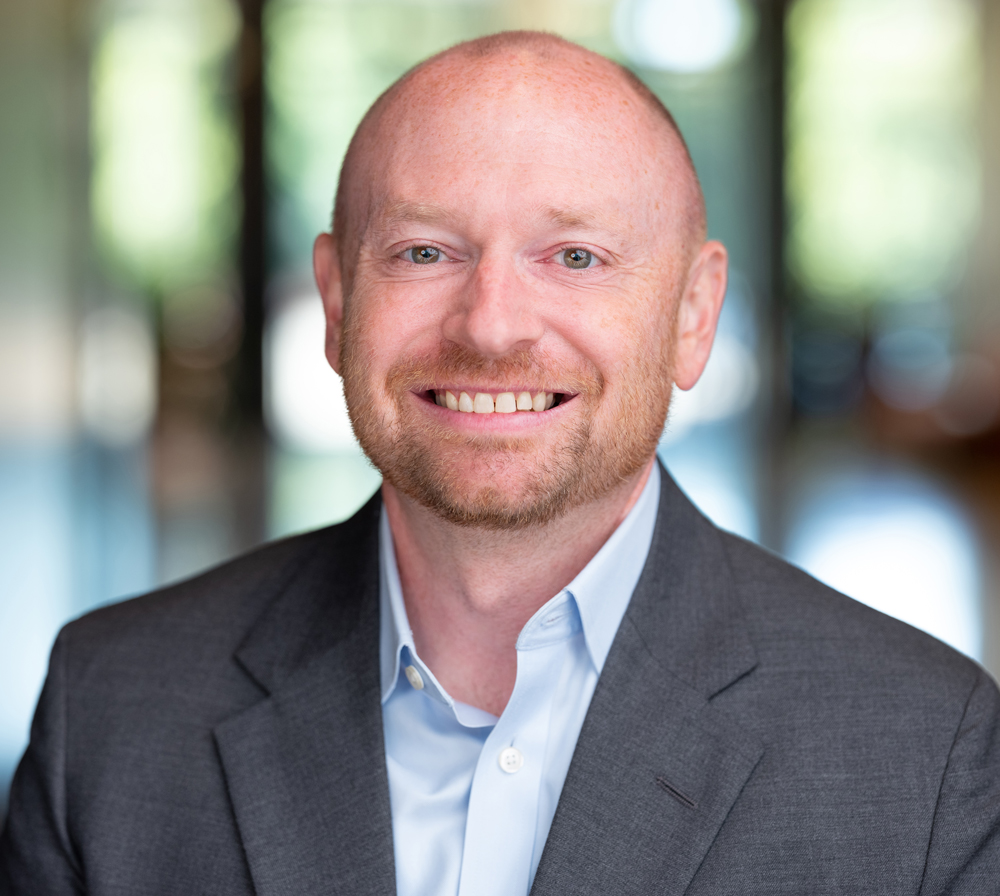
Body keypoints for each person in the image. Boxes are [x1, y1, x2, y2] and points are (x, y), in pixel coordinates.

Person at [2, 30, 999, 896]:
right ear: (339, 302)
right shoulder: (112, 709)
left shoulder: (921, 747)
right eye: (424, 252)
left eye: (574, 257)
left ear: (693, 313)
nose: (490, 326)